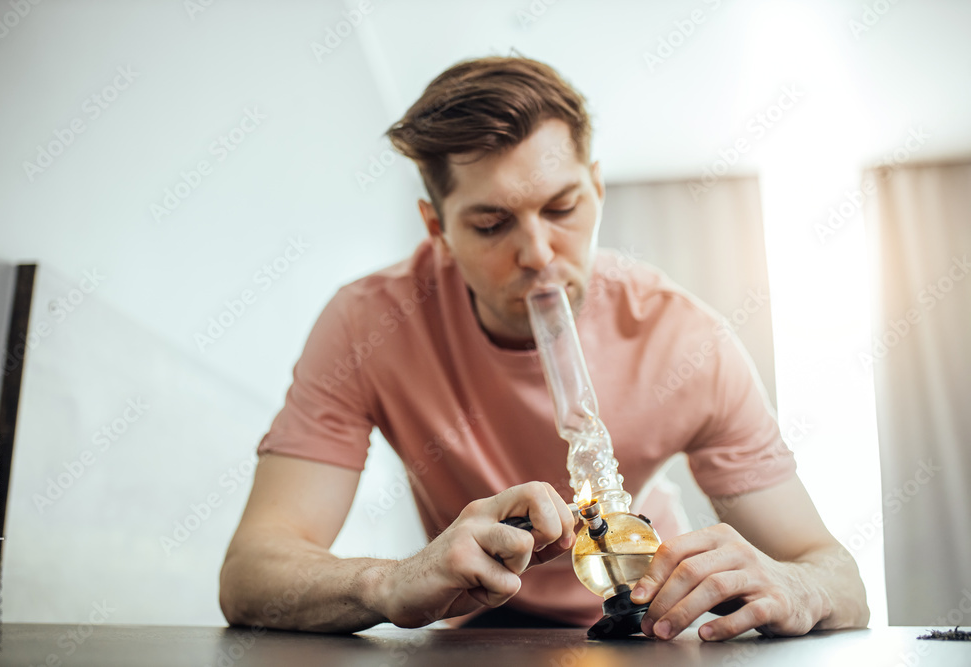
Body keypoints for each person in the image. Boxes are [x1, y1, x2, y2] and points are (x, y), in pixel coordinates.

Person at [219, 55, 870, 641]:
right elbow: (251, 572)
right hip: (476, 629)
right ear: (436, 228)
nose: (537, 256)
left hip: (652, 625)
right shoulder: (366, 324)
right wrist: (390, 583)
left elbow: (838, 575)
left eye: (561, 208)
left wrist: (800, 584)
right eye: (492, 223)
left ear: (597, 188)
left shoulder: (688, 340)